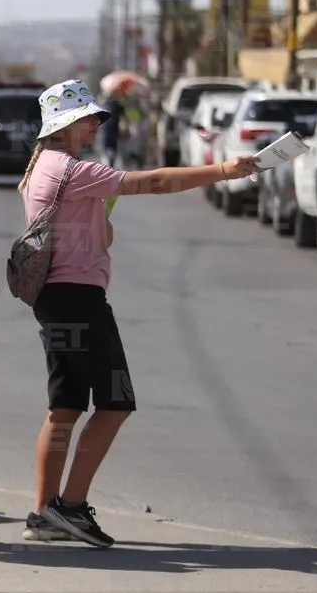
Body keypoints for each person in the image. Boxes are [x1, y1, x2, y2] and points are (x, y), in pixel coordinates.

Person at [16, 79, 260, 548]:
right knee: (115, 402)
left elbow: (94, 232)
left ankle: (44, 513)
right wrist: (224, 170)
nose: (95, 124)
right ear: (65, 123)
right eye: (87, 117)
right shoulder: (71, 168)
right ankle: (69, 506)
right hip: (79, 299)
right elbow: (153, 182)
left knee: (65, 406)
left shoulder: (43, 168)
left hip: (54, 298)